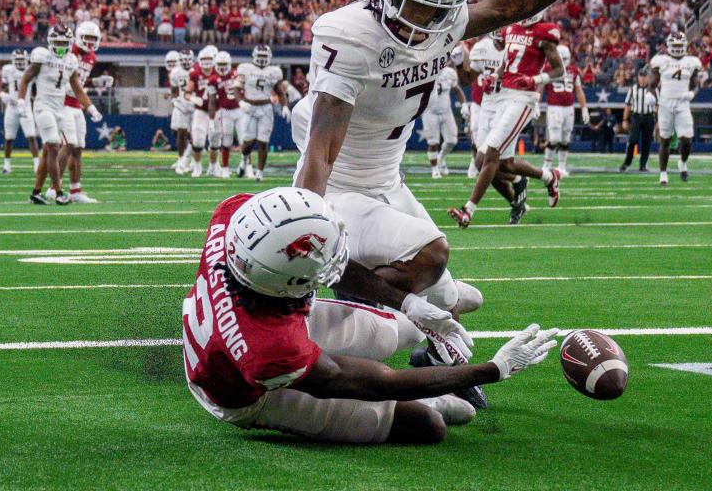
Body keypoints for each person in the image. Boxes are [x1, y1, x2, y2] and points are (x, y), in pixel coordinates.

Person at [291, 0, 638, 407]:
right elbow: (321, 150)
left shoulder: (437, 22)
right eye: (414, 3)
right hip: (343, 185)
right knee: (431, 257)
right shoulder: (350, 36)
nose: (426, 21)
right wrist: (308, 227)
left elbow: (502, 6)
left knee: (458, 300)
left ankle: (423, 348)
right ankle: (329, 340)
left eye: (438, 9)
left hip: (387, 180)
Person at [183, 188, 558, 444]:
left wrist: (408, 303)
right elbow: (381, 382)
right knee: (428, 425)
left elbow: (321, 262)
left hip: (260, 320)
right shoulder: (270, 347)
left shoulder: (236, 218)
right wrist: (493, 370)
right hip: (249, 392)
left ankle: (434, 306)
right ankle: (428, 403)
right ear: (286, 285)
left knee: (399, 331)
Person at [449, 12, 570, 227]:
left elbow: (559, 70)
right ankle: (549, 177)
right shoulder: (512, 29)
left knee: (491, 154)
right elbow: (506, 63)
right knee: (502, 163)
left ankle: (468, 210)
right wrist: (495, 77)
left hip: (523, 98)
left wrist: (535, 78)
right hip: (504, 96)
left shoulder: (544, 32)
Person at [18, 25, 102, 205]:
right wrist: (20, 101)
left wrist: (91, 108)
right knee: (55, 146)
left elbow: (77, 86)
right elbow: (26, 78)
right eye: (58, 43)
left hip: (60, 109)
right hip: (44, 107)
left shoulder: (71, 60)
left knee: (59, 147)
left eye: (65, 43)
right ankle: (57, 192)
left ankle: (36, 192)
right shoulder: (43, 56)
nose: (61, 47)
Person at [56, 20, 102, 203]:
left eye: (93, 39)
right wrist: (90, 106)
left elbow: (79, 82)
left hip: (77, 105)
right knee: (67, 145)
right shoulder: (68, 52)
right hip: (63, 103)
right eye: (87, 38)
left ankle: (75, 191)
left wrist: (96, 82)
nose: (90, 43)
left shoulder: (92, 58)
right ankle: (54, 187)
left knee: (78, 149)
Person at [649, 31, 701, 185]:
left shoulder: (691, 62)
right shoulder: (661, 61)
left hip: (682, 103)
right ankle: (663, 173)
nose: (678, 49)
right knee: (664, 139)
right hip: (665, 103)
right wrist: (651, 95)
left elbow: (696, 84)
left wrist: (692, 93)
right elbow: (652, 84)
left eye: (680, 45)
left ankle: (683, 163)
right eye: (675, 45)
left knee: (686, 140)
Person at [237, 45, 288, 180]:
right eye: (259, 56)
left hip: (265, 108)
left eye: (264, 57)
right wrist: (241, 102)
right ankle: (244, 159)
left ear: (269, 57)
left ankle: (259, 172)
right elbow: (236, 88)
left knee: (263, 142)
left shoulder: (273, 71)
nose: (261, 59)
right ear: (254, 56)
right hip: (250, 107)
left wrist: (285, 106)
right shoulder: (246, 69)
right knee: (248, 143)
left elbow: (279, 91)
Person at [542, 44, 588, 177]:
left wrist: (584, 108)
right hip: (554, 107)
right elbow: (540, 87)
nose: (565, 61)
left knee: (565, 138)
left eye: (567, 58)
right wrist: (536, 104)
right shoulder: (549, 69)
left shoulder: (574, 70)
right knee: (555, 138)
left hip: (569, 108)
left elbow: (579, 91)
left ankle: (562, 166)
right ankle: (546, 165)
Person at [464, 31, 504, 179]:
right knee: (475, 133)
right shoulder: (481, 47)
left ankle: (490, 167)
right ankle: (475, 161)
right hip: (480, 99)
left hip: (500, 100)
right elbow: (469, 75)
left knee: (495, 138)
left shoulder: (510, 49)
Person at [422, 49, 466, 179]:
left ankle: (441, 158)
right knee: (433, 142)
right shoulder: (426, 72)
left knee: (452, 140)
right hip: (430, 111)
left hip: (446, 111)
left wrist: (464, 104)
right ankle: (435, 169)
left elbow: (456, 89)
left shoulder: (450, 73)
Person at [0, 49, 40, 174]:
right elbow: (3, 86)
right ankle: (7, 166)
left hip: (26, 106)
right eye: (18, 60)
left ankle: (37, 165)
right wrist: (2, 94)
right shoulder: (8, 70)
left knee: (31, 136)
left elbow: (35, 89)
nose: (20, 63)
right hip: (12, 107)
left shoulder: (31, 70)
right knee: (9, 138)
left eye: (22, 60)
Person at [186, 46, 220, 178]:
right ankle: (197, 165)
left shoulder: (220, 72)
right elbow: (187, 93)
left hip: (217, 111)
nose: (206, 62)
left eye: (209, 59)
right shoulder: (195, 74)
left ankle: (213, 166)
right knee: (198, 141)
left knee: (215, 141)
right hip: (201, 111)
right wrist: (194, 98)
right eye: (204, 59)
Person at [212, 50, 246, 178]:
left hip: (239, 110)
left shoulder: (238, 74)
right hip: (224, 111)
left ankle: (246, 166)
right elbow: (212, 99)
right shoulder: (213, 79)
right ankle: (225, 168)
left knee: (244, 139)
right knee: (226, 140)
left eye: (224, 63)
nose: (222, 66)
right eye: (219, 64)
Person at [619, 69, 657, 171]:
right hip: (636, 117)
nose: (643, 78)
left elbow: (658, 106)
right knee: (632, 140)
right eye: (641, 76)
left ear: (648, 77)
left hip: (649, 117)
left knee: (646, 142)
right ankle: (627, 162)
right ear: (638, 77)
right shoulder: (633, 89)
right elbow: (627, 105)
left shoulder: (654, 90)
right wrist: (625, 120)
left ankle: (643, 165)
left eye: (645, 76)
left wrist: (659, 121)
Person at [166, 51, 194, 174]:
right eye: (184, 59)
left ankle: (191, 160)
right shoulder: (175, 72)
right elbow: (173, 89)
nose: (186, 62)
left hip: (194, 105)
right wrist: (173, 99)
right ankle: (181, 158)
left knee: (194, 135)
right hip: (181, 103)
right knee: (180, 131)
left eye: (188, 59)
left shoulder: (196, 71)